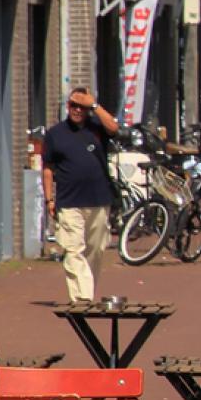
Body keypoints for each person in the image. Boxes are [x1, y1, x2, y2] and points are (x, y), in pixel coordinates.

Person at [38, 86, 119, 304]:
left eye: (82, 107)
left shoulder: (97, 129)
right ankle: (82, 297)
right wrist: (49, 199)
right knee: (73, 248)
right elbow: (47, 169)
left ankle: (87, 289)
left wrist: (94, 105)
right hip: (69, 200)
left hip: (99, 199)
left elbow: (114, 127)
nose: (77, 110)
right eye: (73, 105)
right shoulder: (55, 134)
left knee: (96, 249)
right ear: (68, 106)